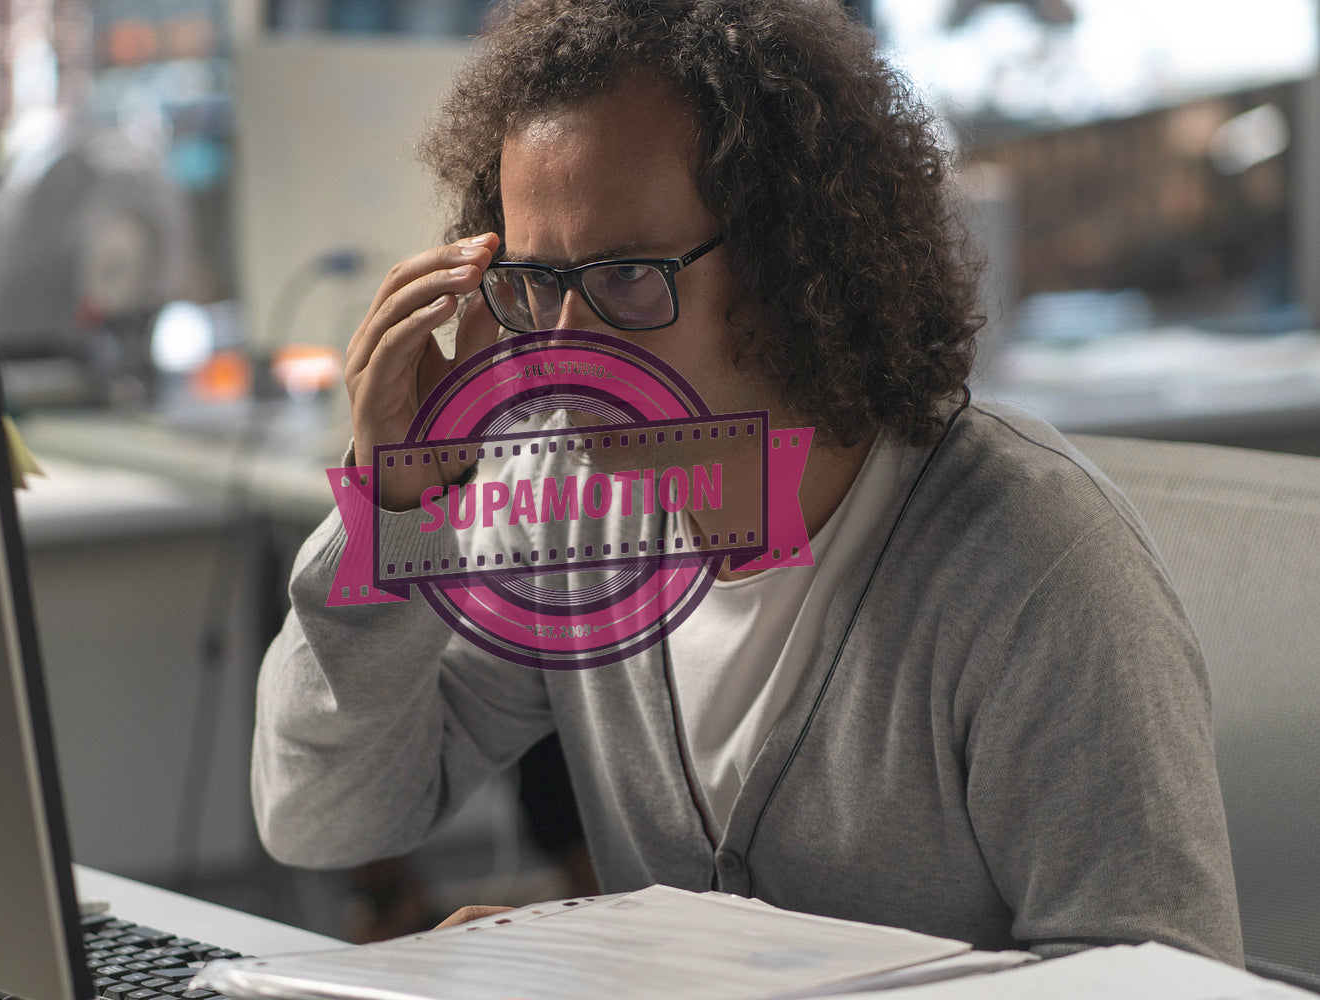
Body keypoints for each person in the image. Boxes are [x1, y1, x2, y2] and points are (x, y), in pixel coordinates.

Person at [252, 0, 1243, 964]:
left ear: (787, 258)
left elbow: (1164, 979)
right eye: (534, 284)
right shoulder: (566, 510)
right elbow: (324, 814)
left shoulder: (1032, 564)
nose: (561, 353)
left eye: (629, 277)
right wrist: (399, 511)